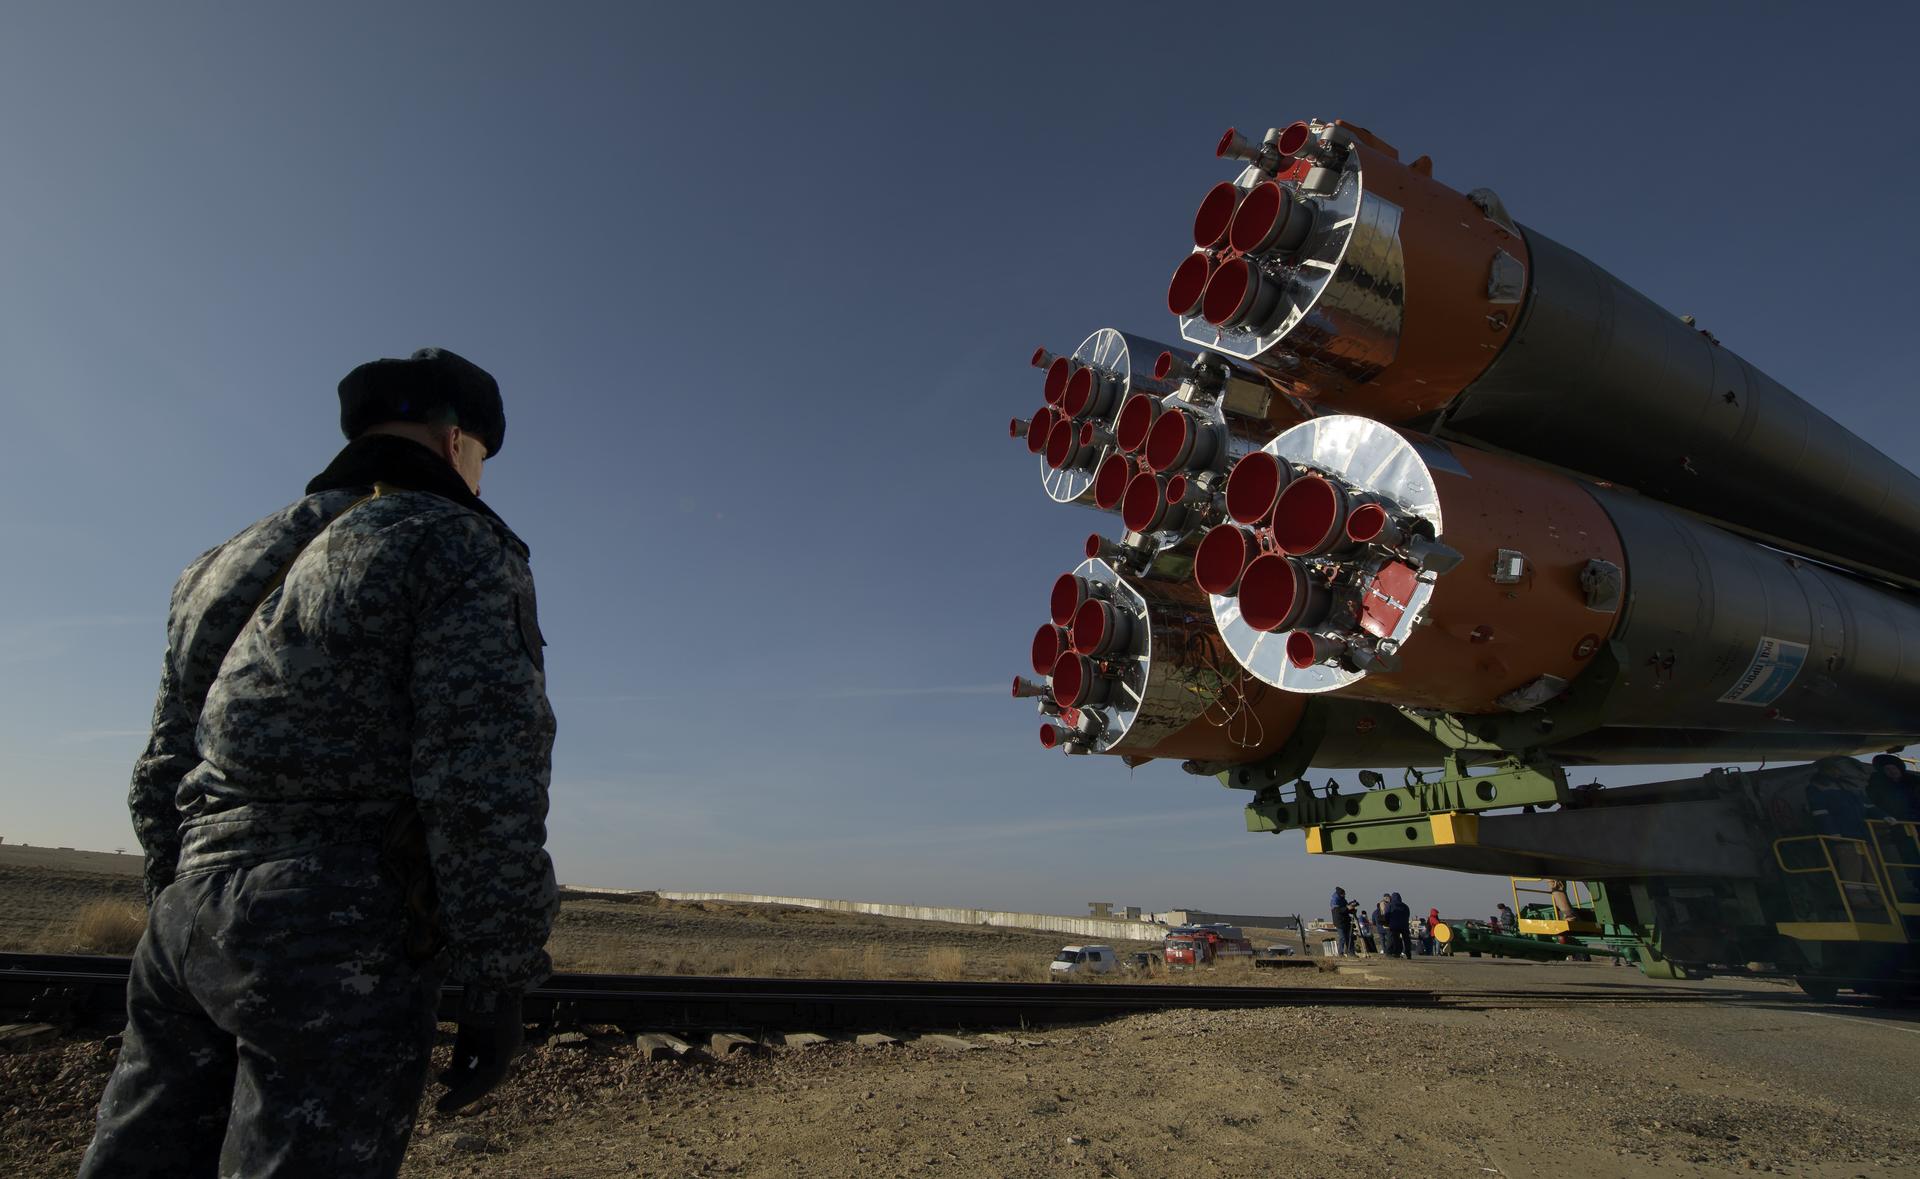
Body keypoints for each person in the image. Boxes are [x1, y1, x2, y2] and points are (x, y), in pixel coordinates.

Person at [81, 349, 558, 1178]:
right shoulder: (454, 542)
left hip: (184, 919)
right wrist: (496, 975)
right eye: (482, 457)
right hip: (331, 933)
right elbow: (482, 778)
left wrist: (177, 901)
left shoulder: (219, 563)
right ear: (456, 444)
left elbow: (163, 761)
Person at [1866, 754, 1917, 823]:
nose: (1892, 771)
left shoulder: (1913, 784)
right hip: (1896, 822)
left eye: (1894, 768)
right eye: (1888, 769)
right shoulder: (1878, 787)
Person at [1386, 892, 1412, 959]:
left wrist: (1388, 922)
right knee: (1406, 940)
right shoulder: (1405, 906)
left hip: (1394, 925)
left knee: (1394, 939)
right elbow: (1408, 915)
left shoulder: (1390, 905)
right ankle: (1408, 953)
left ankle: (1395, 953)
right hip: (1404, 925)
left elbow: (1387, 915)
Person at [1331, 887, 1354, 956]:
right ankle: (1340, 953)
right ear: (1340, 894)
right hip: (1339, 922)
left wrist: (1351, 908)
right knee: (1342, 938)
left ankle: (1351, 952)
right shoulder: (1335, 902)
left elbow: (1345, 909)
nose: (1344, 895)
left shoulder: (1343, 900)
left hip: (1346, 921)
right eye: (1343, 894)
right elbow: (1339, 911)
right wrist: (1347, 908)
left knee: (1349, 937)